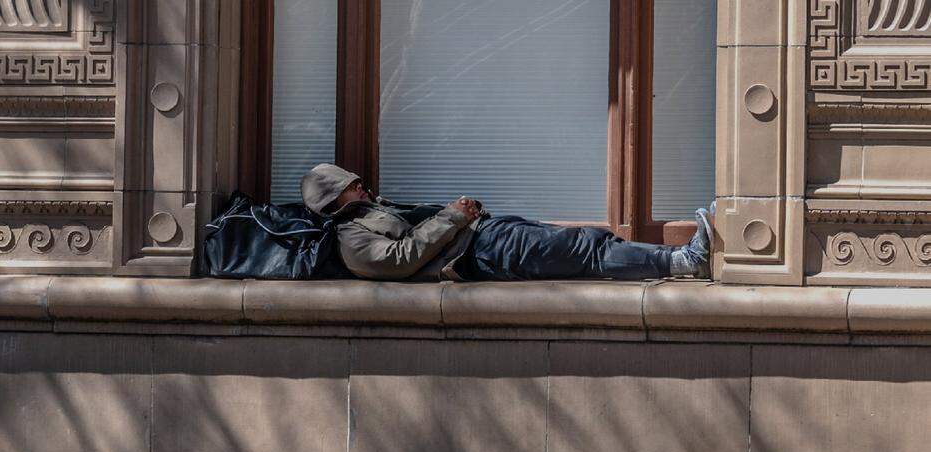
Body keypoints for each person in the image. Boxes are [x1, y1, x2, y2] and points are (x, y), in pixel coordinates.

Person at [300, 163, 712, 281]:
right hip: (482, 254)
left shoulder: (370, 211)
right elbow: (398, 259)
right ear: (335, 200)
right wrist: (452, 216)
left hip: (488, 235)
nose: (363, 188)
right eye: (353, 187)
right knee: (586, 251)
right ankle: (684, 260)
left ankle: (679, 259)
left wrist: (460, 211)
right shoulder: (350, 238)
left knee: (588, 241)